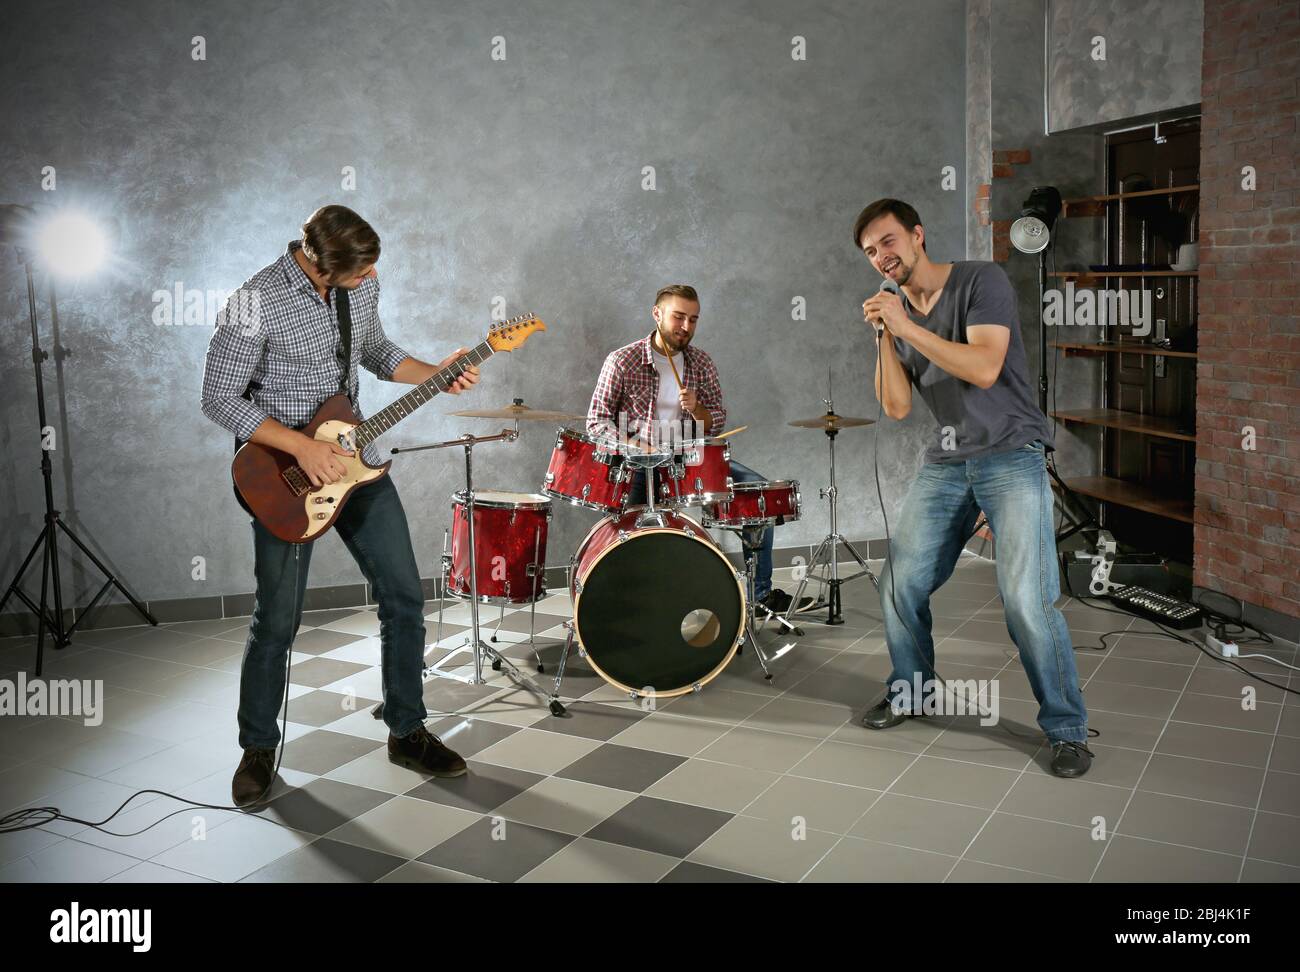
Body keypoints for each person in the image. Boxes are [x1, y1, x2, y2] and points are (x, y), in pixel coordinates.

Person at [201, 205, 479, 806]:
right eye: (361, 270)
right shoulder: (255, 300)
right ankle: (257, 748)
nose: (372, 276)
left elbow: (374, 351)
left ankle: (406, 730)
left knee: (404, 596)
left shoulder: (358, 286)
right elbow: (218, 398)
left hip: (357, 462)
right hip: (284, 477)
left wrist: (436, 372)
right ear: (322, 263)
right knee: (277, 618)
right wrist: (301, 446)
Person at [854, 198, 1092, 778]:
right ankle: (913, 691)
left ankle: (1066, 729)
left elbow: (985, 367)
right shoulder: (897, 314)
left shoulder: (981, 281)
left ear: (917, 235)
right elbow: (896, 405)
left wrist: (907, 326)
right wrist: (886, 336)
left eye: (888, 241)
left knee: (1025, 599)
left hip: (1011, 452)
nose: (881, 257)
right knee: (899, 583)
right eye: (870, 252)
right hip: (948, 460)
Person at [586, 284, 808, 613]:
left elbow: (715, 422)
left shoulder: (701, 363)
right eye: (678, 317)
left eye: (693, 319)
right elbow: (596, 422)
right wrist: (636, 444)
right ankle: (629, 607)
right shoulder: (622, 360)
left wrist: (697, 409)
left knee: (757, 497)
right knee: (629, 535)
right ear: (657, 313)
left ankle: (760, 596)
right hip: (638, 464)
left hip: (691, 458)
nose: (686, 326)